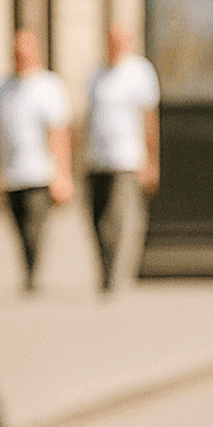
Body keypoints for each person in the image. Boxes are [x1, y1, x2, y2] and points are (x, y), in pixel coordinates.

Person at [0, 30, 73, 293]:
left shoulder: (48, 86)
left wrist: (62, 174)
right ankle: (28, 268)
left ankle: (32, 273)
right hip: (10, 172)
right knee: (18, 227)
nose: (20, 56)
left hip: (40, 171)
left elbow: (58, 134)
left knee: (35, 226)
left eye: (25, 51)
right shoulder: (0, 89)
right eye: (16, 51)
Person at [83, 24, 160, 294]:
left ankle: (116, 273)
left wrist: (151, 160)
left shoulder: (139, 72)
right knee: (96, 218)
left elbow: (149, 120)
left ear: (128, 42)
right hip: (96, 158)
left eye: (118, 41)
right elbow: (87, 119)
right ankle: (104, 269)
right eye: (109, 41)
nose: (113, 46)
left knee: (118, 217)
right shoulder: (96, 74)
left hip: (127, 158)